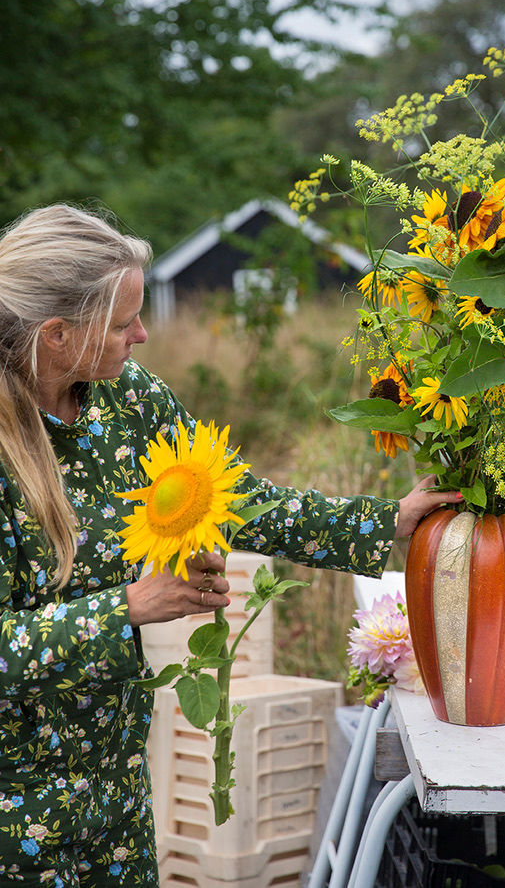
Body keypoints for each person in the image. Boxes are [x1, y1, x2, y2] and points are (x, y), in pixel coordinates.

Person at [0, 204, 461, 887]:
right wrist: (124, 608)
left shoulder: (124, 398)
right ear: (59, 335)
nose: (144, 334)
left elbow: (235, 496)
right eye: (124, 320)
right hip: (17, 814)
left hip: (116, 789)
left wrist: (382, 521)